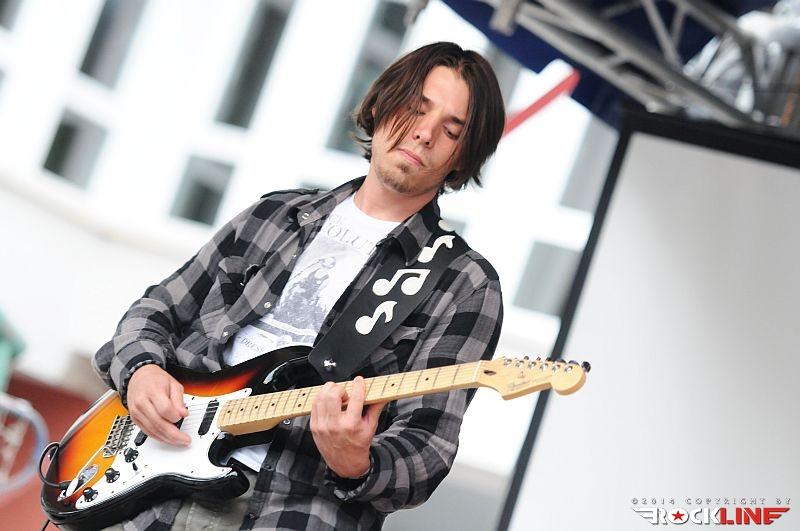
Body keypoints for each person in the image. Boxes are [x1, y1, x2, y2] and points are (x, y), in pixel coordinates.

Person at [91, 41, 505, 531]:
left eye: (452, 130)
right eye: (416, 108)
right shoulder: (276, 215)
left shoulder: (462, 282)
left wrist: (358, 462)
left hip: (290, 510)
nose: (425, 132)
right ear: (379, 106)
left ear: (462, 158)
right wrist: (141, 370)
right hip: (147, 481)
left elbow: (427, 448)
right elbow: (157, 308)